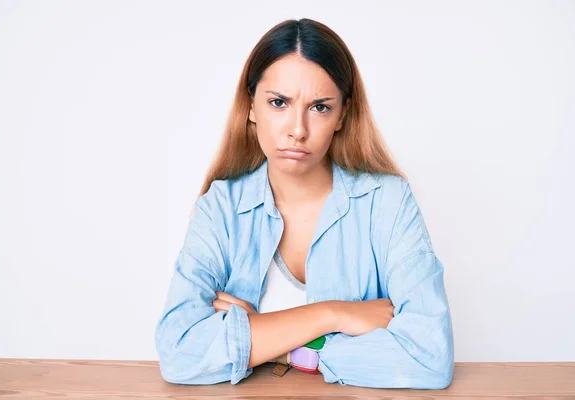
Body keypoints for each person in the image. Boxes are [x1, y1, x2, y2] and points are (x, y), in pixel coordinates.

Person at [154, 18, 454, 389]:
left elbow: (429, 357)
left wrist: (268, 341)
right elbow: (179, 352)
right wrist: (333, 315)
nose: (298, 129)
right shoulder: (221, 208)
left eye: (320, 107)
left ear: (343, 114)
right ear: (251, 107)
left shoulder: (388, 202)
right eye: (278, 102)